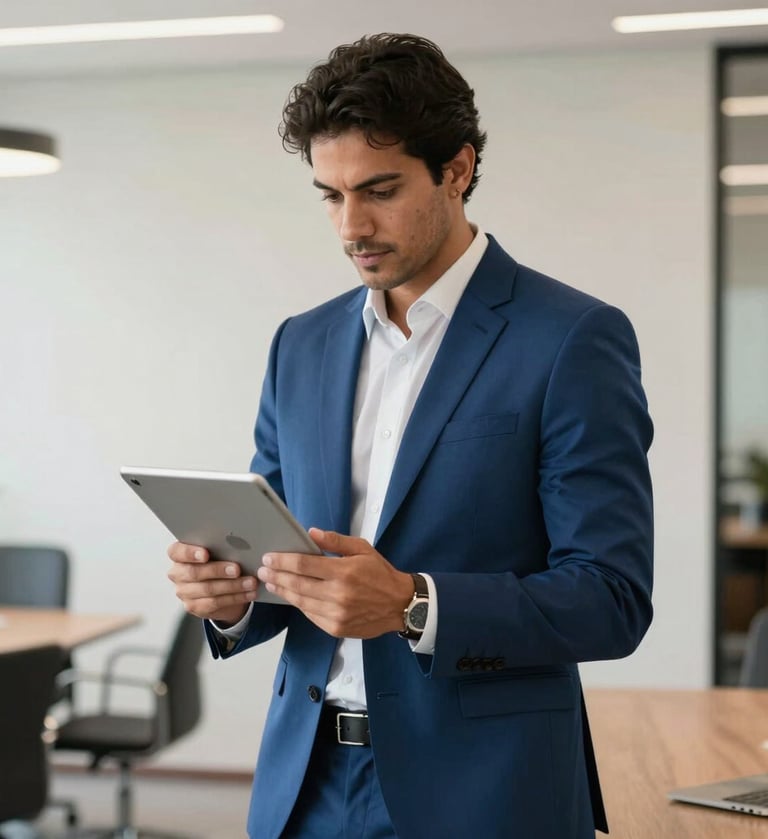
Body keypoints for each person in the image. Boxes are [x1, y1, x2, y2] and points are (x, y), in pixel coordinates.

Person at [167, 32, 653, 839]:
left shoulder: (572, 338)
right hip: (304, 783)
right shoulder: (302, 343)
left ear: (457, 170)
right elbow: (280, 547)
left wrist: (412, 602)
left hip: (486, 793)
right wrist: (231, 596)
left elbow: (611, 597)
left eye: (380, 189)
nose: (351, 225)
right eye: (329, 194)